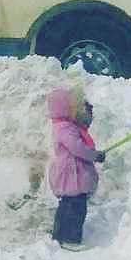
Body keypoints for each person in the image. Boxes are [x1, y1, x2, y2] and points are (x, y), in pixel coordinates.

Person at [46, 87, 105, 251]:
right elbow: (77, 148)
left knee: (66, 206)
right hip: (73, 175)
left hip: (72, 173)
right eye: (73, 106)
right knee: (76, 209)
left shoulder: (63, 125)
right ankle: (70, 239)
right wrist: (94, 155)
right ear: (65, 108)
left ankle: (58, 236)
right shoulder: (65, 128)